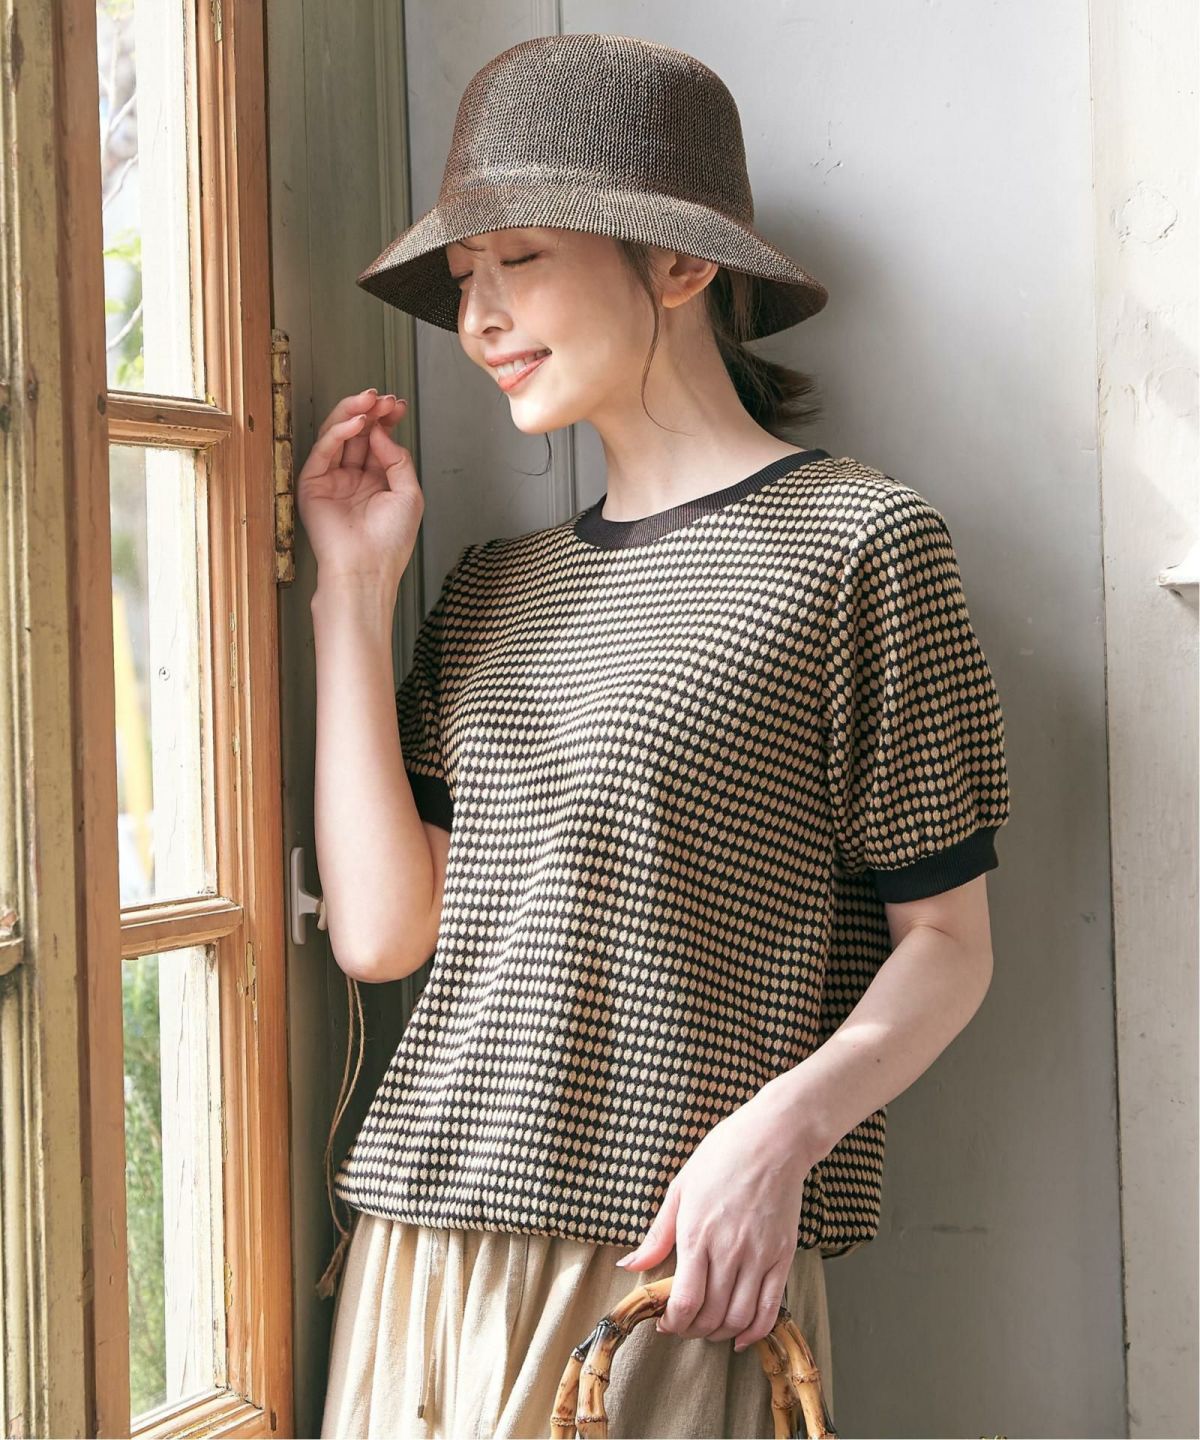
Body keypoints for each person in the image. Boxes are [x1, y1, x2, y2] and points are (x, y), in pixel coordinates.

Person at [303, 33, 1011, 1440]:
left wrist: (776, 1140)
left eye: (519, 259)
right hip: (419, 1243)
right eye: (464, 278)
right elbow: (381, 935)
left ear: (680, 264)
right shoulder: (494, 586)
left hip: (668, 1260)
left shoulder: (859, 546)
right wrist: (354, 593)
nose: (481, 316)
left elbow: (949, 942)